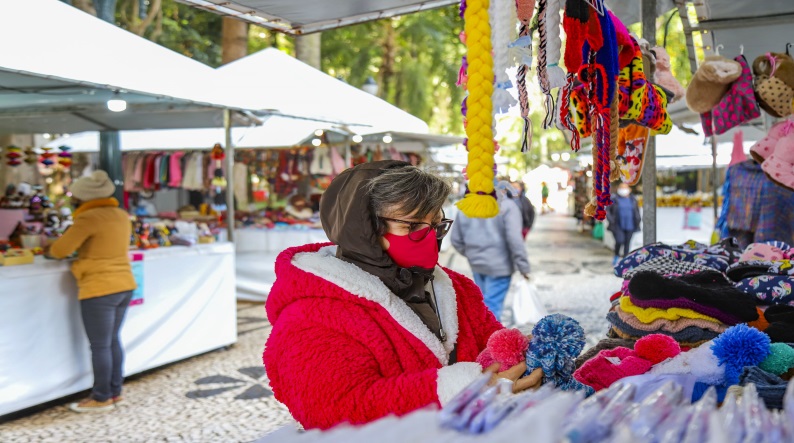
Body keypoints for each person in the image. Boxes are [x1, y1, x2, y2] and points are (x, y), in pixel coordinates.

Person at [263, 161, 535, 430]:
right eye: (412, 226)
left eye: (436, 226)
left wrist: (522, 352)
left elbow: (492, 347)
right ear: (366, 228)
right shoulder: (309, 315)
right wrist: (464, 389)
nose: (429, 238)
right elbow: (335, 408)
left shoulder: (457, 289)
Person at [48, 170, 137, 413]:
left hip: (100, 287)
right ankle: (115, 391)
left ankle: (101, 397)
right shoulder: (120, 214)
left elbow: (60, 250)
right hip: (124, 284)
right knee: (112, 341)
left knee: (99, 345)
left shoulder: (89, 218)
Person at [451, 181, 530, 319]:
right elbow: (515, 240)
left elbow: (456, 240)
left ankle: (481, 337)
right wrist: (524, 267)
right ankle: (489, 339)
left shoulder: (466, 207)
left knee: (483, 306)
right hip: (501, 266)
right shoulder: (507, 206)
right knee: (491, 310)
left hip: (477, 265)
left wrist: (472, 254)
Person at [607, 182, 642, 265]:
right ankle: (616, 255)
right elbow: (607, 211)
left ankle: (625, 260)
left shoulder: (633, 199)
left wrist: (638, 220)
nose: (623, 190)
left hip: (630, 225)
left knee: (627, 243)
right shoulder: (614, 199)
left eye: (625, 188)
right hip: (618, 225)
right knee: (619, 240)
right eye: (621, 188)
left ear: (629, 190)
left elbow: (636, 211)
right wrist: (611, 220)